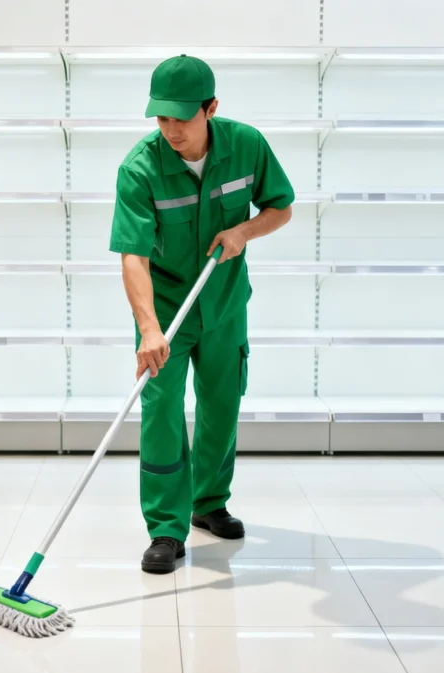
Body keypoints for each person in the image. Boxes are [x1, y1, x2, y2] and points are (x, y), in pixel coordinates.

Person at [108, 54, 295, 574]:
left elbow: (281, 205)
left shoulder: (247, 146)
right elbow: (133, 255)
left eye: (181, 119)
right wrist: (148, 327)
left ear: (211, 108)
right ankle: (166, 528)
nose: (170, 130)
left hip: (225, 301)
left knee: (221, 403)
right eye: (160, 118)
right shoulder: (140, 168)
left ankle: (209, 503)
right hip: (166, 309)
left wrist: (244, 232)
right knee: (162, 412)